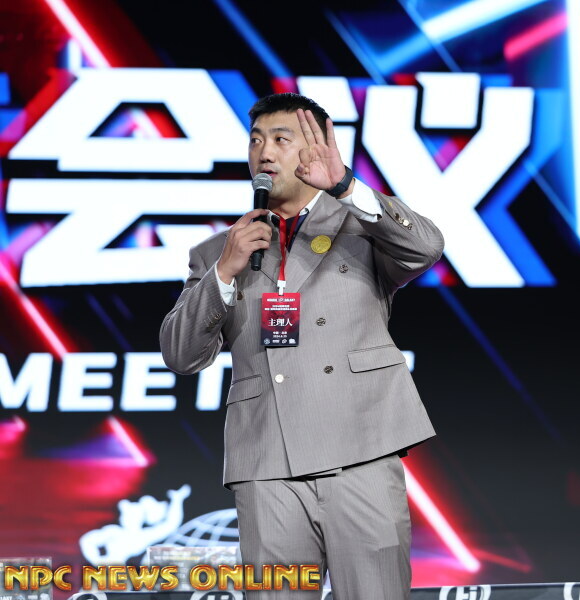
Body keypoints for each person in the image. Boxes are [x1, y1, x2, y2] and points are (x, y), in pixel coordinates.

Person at [159, 93, 444, 599]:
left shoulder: (361, 225)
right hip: (266, 462)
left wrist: (345, 185)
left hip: (361, 450)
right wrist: (223, 273)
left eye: (281, 139)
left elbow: (426, 247)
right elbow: (180, 354)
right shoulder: (221, 250)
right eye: (256, 141)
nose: (264, 152)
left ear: (315, 147)